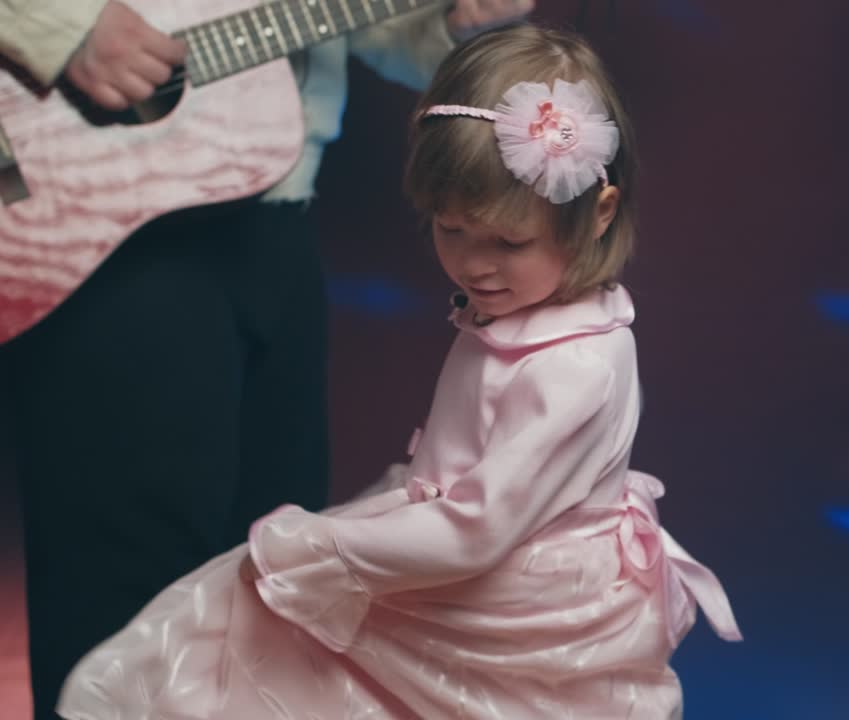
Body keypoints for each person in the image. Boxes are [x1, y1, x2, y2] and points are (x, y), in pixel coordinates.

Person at [54, 24, 742, 719]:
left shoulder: (574, 366)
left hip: (509, 594)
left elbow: (476, 529)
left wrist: (323, 545)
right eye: (451, 230)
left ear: (598, 214)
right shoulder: (539, 310)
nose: (474, 265)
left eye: (508, 241)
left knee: (256, 629)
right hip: (458, 547)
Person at [0, 1, 533, 718]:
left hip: (279, 216)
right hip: (114, 234)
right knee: (122, 618)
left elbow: (363, 28)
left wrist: (456, 26)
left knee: (272, 595)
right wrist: (66, 29)